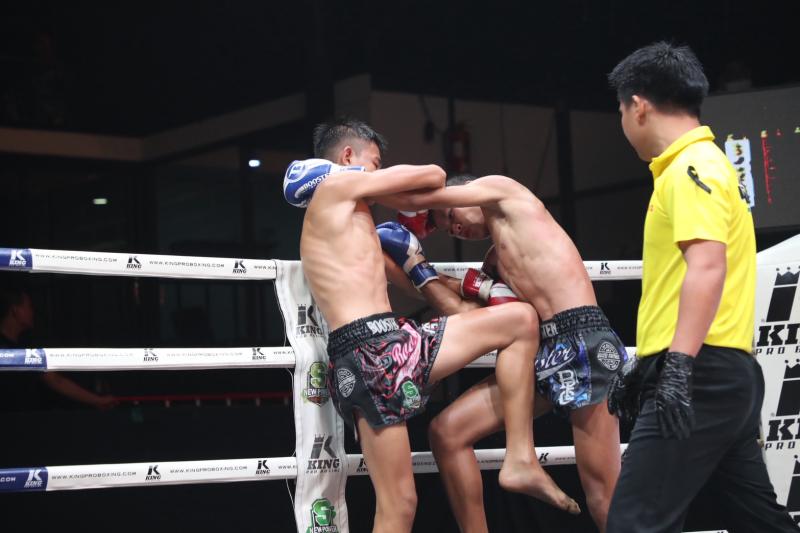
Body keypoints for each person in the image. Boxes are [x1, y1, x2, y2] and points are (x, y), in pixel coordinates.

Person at [284, 118, 577, 533]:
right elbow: (434, 174)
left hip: (392, 341)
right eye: (375, 162)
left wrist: (422, 264)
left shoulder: (353, 217)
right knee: (399, 505)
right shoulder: (334, 189)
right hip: (368, 352)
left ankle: (520, 457)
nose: (379, 170)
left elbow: (424, 289)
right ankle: (519, 459)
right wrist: (380, 183)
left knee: (519, 320)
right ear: (348, 156)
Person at [605, 41, 797, 532]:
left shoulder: (692, 167)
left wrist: (676, 368)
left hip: (701, 373)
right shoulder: (699, 165)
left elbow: (707, 266)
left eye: (620, 110)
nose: (622, 122)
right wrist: (649, 366)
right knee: (759, 522)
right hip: (715, 371)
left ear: (638, 106)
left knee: (634, 523)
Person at [380, 172, 627, 532]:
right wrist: (413, 267)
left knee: (603, 497)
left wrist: (351, 191)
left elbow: (416, 198)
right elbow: (465, 314)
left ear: (464, 194)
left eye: (450, 215)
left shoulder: (505, 192)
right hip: (542, 356)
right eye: (450, 230)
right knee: (447, 432)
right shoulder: (495, 262)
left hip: (584, 341)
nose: (456, 229)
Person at [0, 283, 117, 411]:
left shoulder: (27, 346)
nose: (32, 312)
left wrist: (96, 400)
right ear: (15, 311)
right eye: (29, 306)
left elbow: (56, 380)